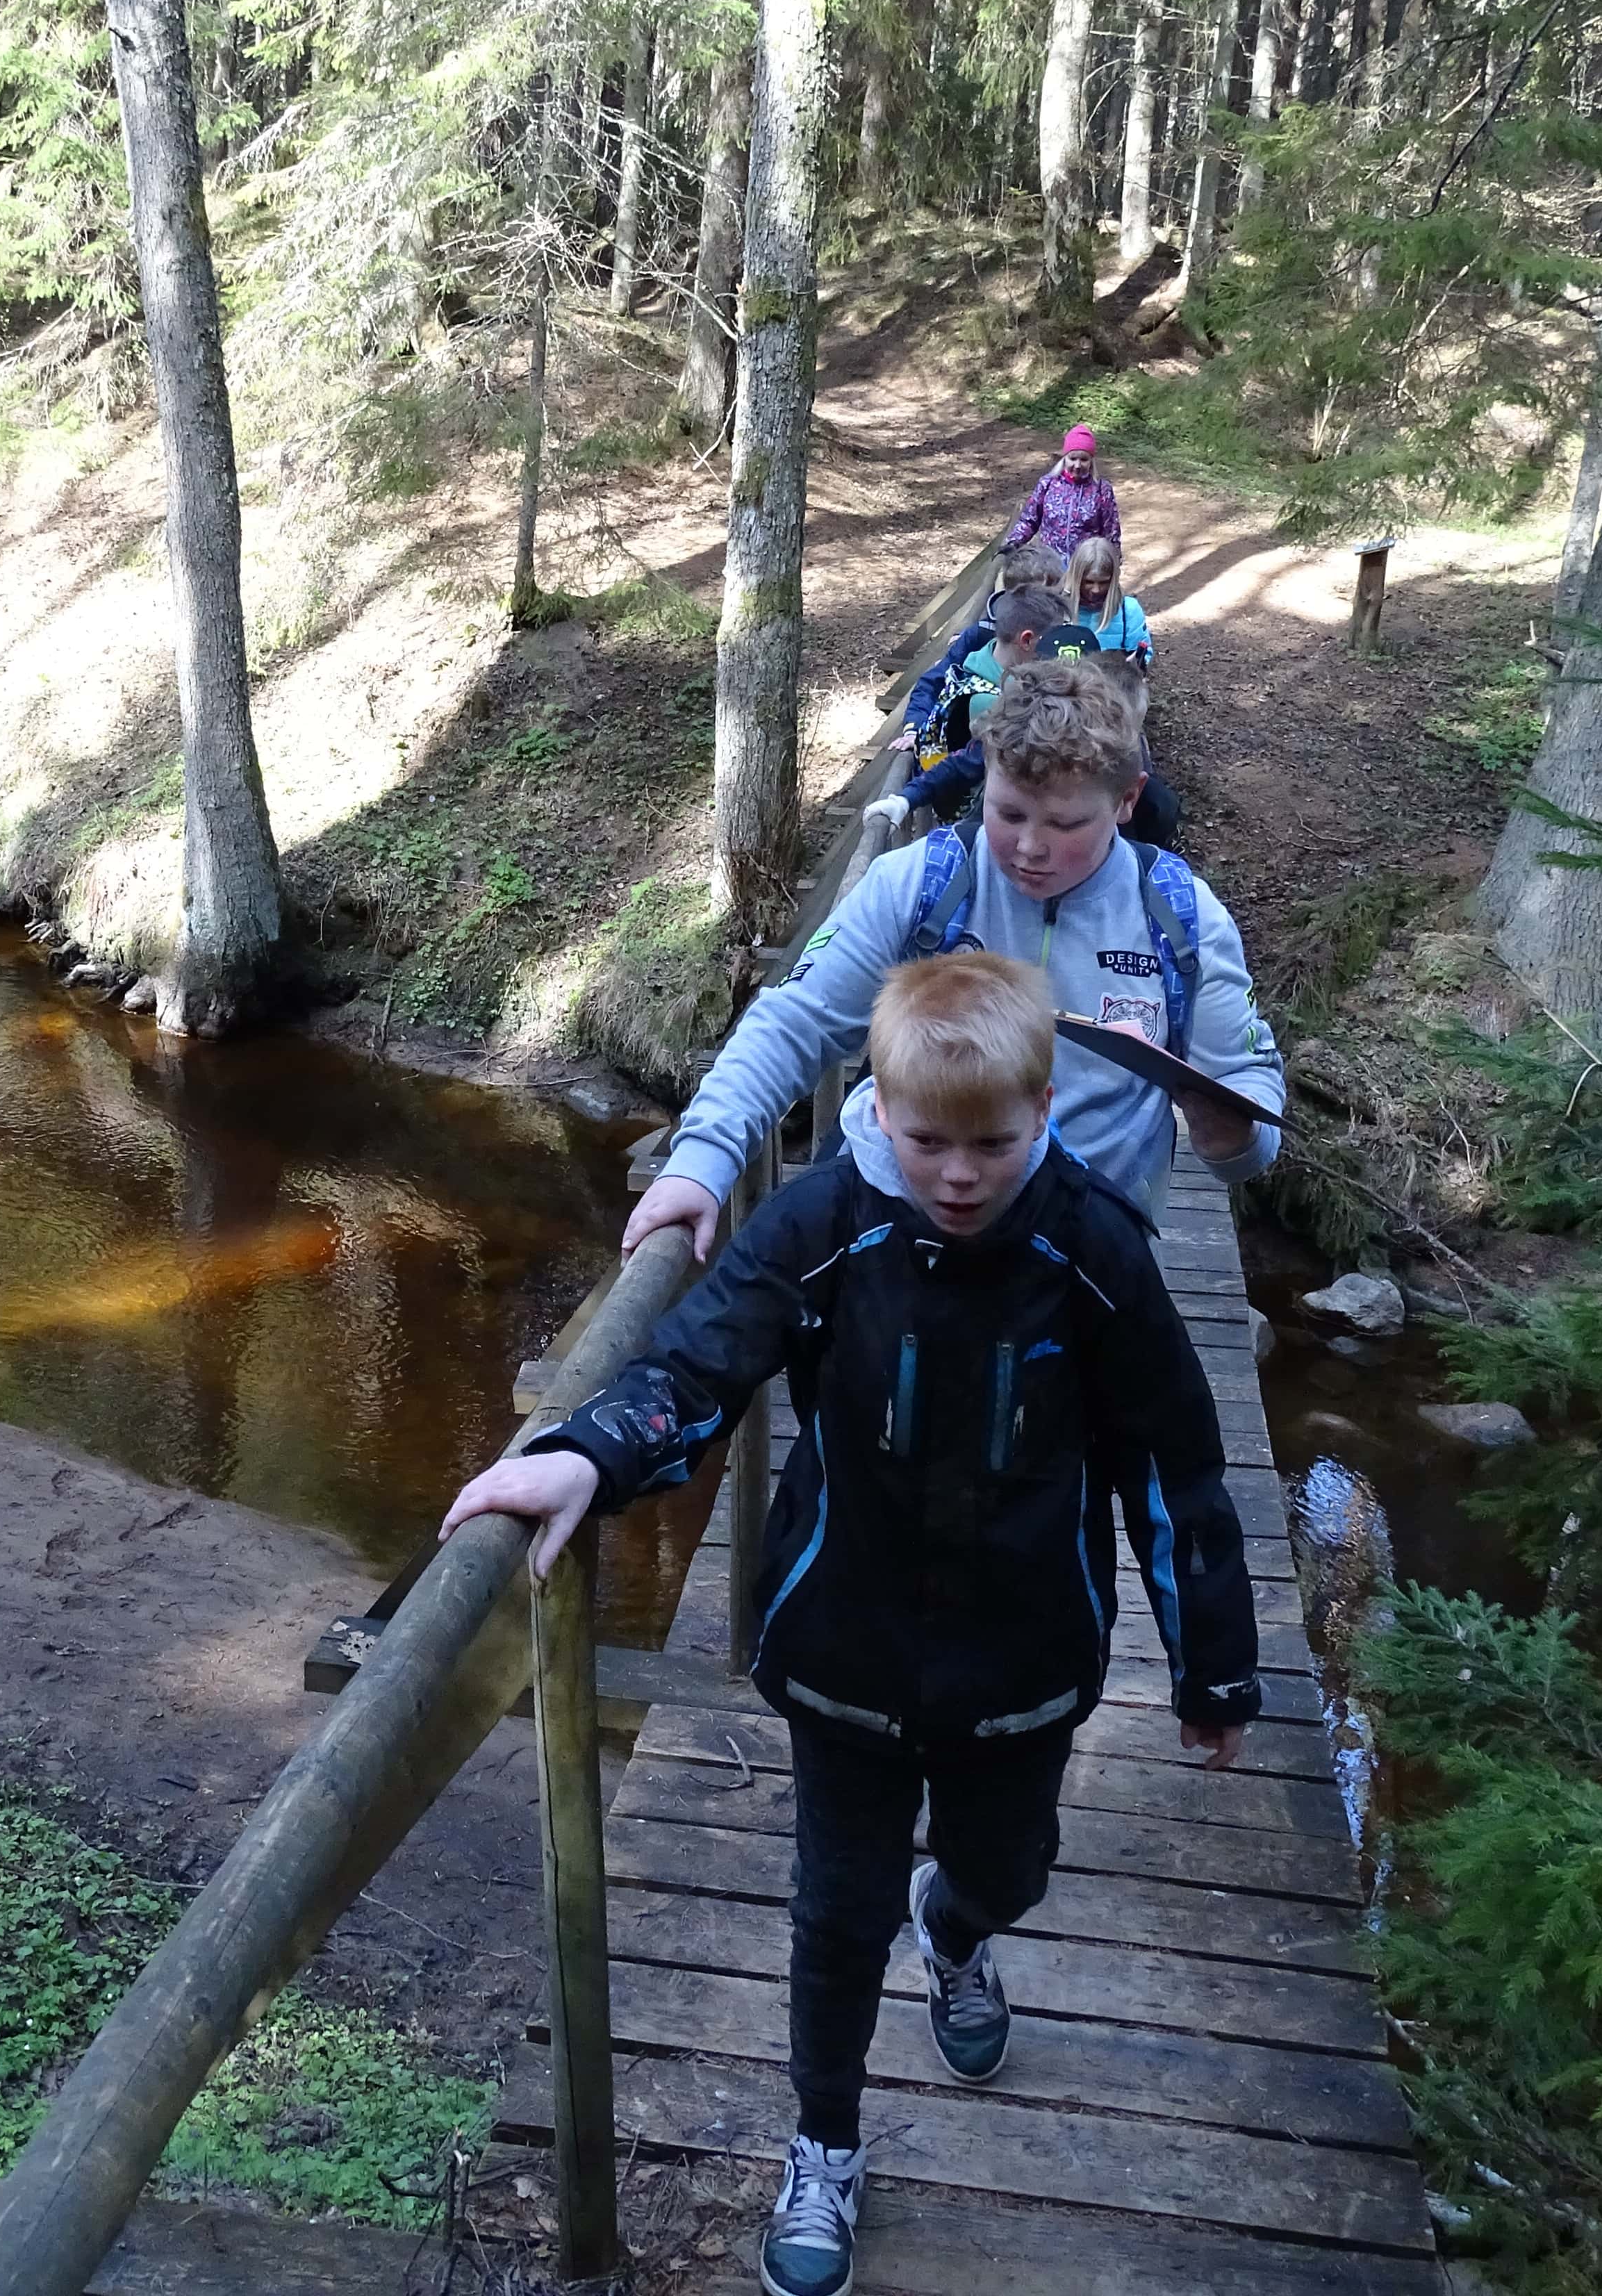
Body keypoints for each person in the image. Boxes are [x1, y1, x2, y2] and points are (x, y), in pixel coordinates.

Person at [442, 953, 1264, 2296]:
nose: (957, 1173)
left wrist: (1211, 1663)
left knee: (1008, 1871)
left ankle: (959, 1927)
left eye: (989, 1142)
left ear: (1041, 1109)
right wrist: (584, 1451)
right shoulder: (826, 1221)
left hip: (1021, 1660)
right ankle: (823, 2140)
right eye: (925, 1140)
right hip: (846, 1652)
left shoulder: (1093, 1244)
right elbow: (700, 1359)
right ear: (875, 1107)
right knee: (836, 1913)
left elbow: (1171, 1462)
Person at [630, 656, 1282, 1270]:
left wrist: (1230, 1136)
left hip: (1087, 1266)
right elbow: (796, 1021)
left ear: (1128, 799)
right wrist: (703, 1161)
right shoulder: (920, 884)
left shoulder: (1183, 919)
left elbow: (1248, 1101)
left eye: (1065, 824)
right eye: (1008, 813)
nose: (1029, 847)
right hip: (905, 1245)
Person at [885, 622, 1182, 849]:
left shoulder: (1119, 761)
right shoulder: (1020, 734)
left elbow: (1157, 813)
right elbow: (964, 763)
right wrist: (906, 799)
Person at [898, 548, 1065, 758]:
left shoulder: (1054, 634)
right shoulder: (981, 635)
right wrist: (914, 728)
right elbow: (932, 682)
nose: (1056, 606)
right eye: (1048, 598)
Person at [1000, 425, 1119, 559]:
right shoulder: (1047, 484)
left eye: (1084, 460)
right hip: (1049, 563)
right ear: (1065, 458)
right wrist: (1013, 542)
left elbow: (1111, 534)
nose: (1078, 465)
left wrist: (1114, 563)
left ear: (1091, 461)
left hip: (1085, 565)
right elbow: (1029, 521)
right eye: (1073, 459)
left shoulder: (1102, 490)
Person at [1068, 536, 1151, 672]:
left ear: (1113, 580)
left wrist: (1137, 665)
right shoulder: (1059, 609)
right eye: (1089, 582)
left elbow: (1142, 656)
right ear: (1077, 578)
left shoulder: (1128, 611)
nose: (1096, 590)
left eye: (1104, 582)